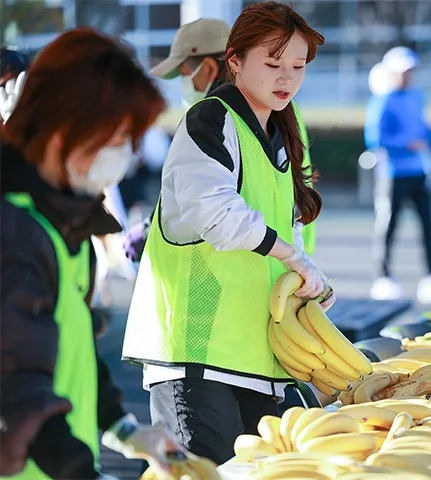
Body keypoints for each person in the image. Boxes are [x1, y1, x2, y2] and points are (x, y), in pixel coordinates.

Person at [121, 2, 331, 465]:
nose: (287, 78)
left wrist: (305, 279)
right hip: (194, 359)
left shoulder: (277, 130)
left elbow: (287, 225)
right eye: (273, 64)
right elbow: (214, 212)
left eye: (298, 66)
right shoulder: (211, 119)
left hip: (252, 357)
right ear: (234, 61)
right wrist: (292, 257)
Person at [0, 28, 184, 479]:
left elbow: (73, 342)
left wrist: (123, 429)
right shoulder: (15, 232)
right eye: (114, 138)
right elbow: (14, 388)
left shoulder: (67, 219)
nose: (124, 155)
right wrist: (82, 472)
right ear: (64, 132)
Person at [122, 16, 318, 262]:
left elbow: (207, 203)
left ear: (208, 68)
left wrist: (148, 230)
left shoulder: (214, 118)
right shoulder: (279, 110)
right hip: (279, 253)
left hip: (233, 263)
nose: (184, 83)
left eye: (184, 73)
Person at [364, 46, 431, 304]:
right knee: (388, 225)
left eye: (410, 71)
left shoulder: (416, 97)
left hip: (420, 171)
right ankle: (383, 277)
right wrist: (406, 144)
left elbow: (425, 130)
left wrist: (428, 138)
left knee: (428, 225)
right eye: (402, 71)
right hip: (392, 174)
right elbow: (374, 138)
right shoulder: (382, 100)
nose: (407, 76)